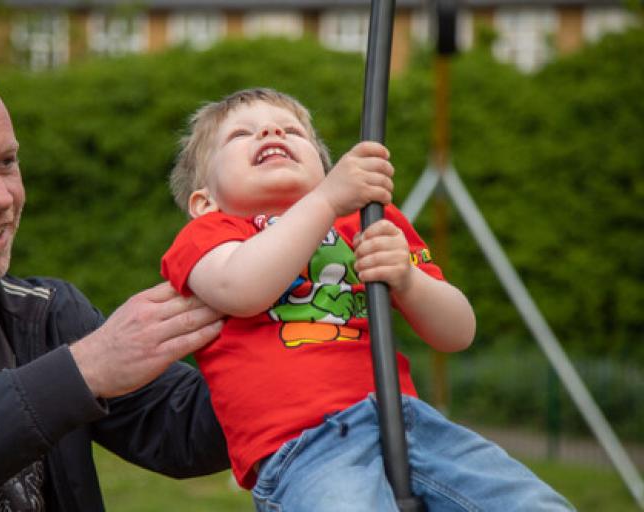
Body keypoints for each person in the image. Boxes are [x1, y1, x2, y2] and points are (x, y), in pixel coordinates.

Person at [161, 88, 575, 511]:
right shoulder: (210, 236)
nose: (271, 132)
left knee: (533, 504)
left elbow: (458, 332)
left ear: (325, 172)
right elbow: (242, 289)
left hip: (409, 422)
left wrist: (408, 281)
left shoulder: (367, 222)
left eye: (292, 130)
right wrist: (324, 201)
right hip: (306, 446)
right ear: (204, 201)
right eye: (241, 135)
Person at [0, 55, 230, 511]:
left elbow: (183, 432)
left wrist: (302, 328)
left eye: (6, 163)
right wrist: (82, 371)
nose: (0, 197)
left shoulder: (45, 314)